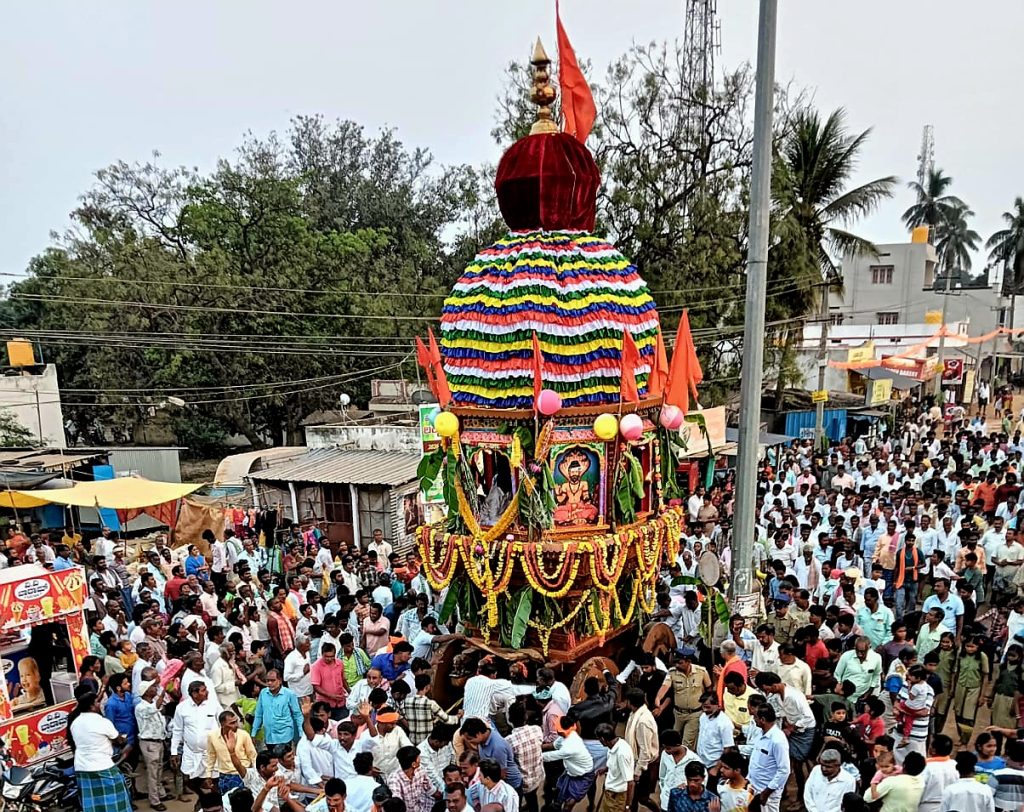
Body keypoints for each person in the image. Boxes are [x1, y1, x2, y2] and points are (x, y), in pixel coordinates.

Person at [67, 691, 132, 812]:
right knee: (116, 802)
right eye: (97, 702)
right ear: (92, 706)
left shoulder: (75, 723)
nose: (100, 704)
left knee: (94, 805)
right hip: (103, 766)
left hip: (82, 767)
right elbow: (118, 740)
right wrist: (123, 739)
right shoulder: (102, 722)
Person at [171, 681, 221, 796]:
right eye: (203, 690)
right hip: (191, 752)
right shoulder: (182, 708)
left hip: (211, 752)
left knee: (214, 781)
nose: (207, 692)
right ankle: (202, 798)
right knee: (189, 779)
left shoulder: (213, 705)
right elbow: (177, 730)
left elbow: (222, 722)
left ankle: (215, 801)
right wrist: (174, 752)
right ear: (194, 694)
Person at [747, 706, 789, 812]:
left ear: (762, 720)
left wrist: (766, 792)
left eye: (755, 717)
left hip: (768, 793)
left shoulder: (777, 740)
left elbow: (784, 770)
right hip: (754, 787)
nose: (754, 719)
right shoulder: (760, 734)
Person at [135, 679, 169, 811]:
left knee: (159, 770)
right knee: (153, 773)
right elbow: (154, 708)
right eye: (152, 687)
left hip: (157, 741)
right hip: (149, 743)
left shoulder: (152, 704)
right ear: (146, 692)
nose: (155, 689)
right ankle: (154, 800)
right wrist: (163, 692)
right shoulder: (141, 707)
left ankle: (160, 793)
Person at [206, 709, 258, 793]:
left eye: (236, 721)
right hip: (224, 775)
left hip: (242, 774)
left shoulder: (243, 735)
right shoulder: (212, 736)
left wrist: (257, 775)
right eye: (232, 723)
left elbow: (253, 755)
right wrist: (208, 775)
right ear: (222, 724)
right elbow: (211, 756)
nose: (236, 725)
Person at [252, 669, 304, 750]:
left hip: (285, 736)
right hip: (269, 737)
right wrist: (254, 732)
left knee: (285, 757)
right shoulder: (263, 693)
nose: (269, 683)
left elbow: (297, 715)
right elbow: (259, 714)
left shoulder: (289, 694)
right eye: (267, 680)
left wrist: (301, 733)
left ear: (279, 680)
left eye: (272, 680)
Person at [597, 722, 635, 812]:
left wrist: (627, 806)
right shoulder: (612, 746)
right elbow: (614, 763)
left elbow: (631, 783)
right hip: (610, 792)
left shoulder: (622, 753)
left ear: (603, 739)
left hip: (617, 796)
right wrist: (606, 769)